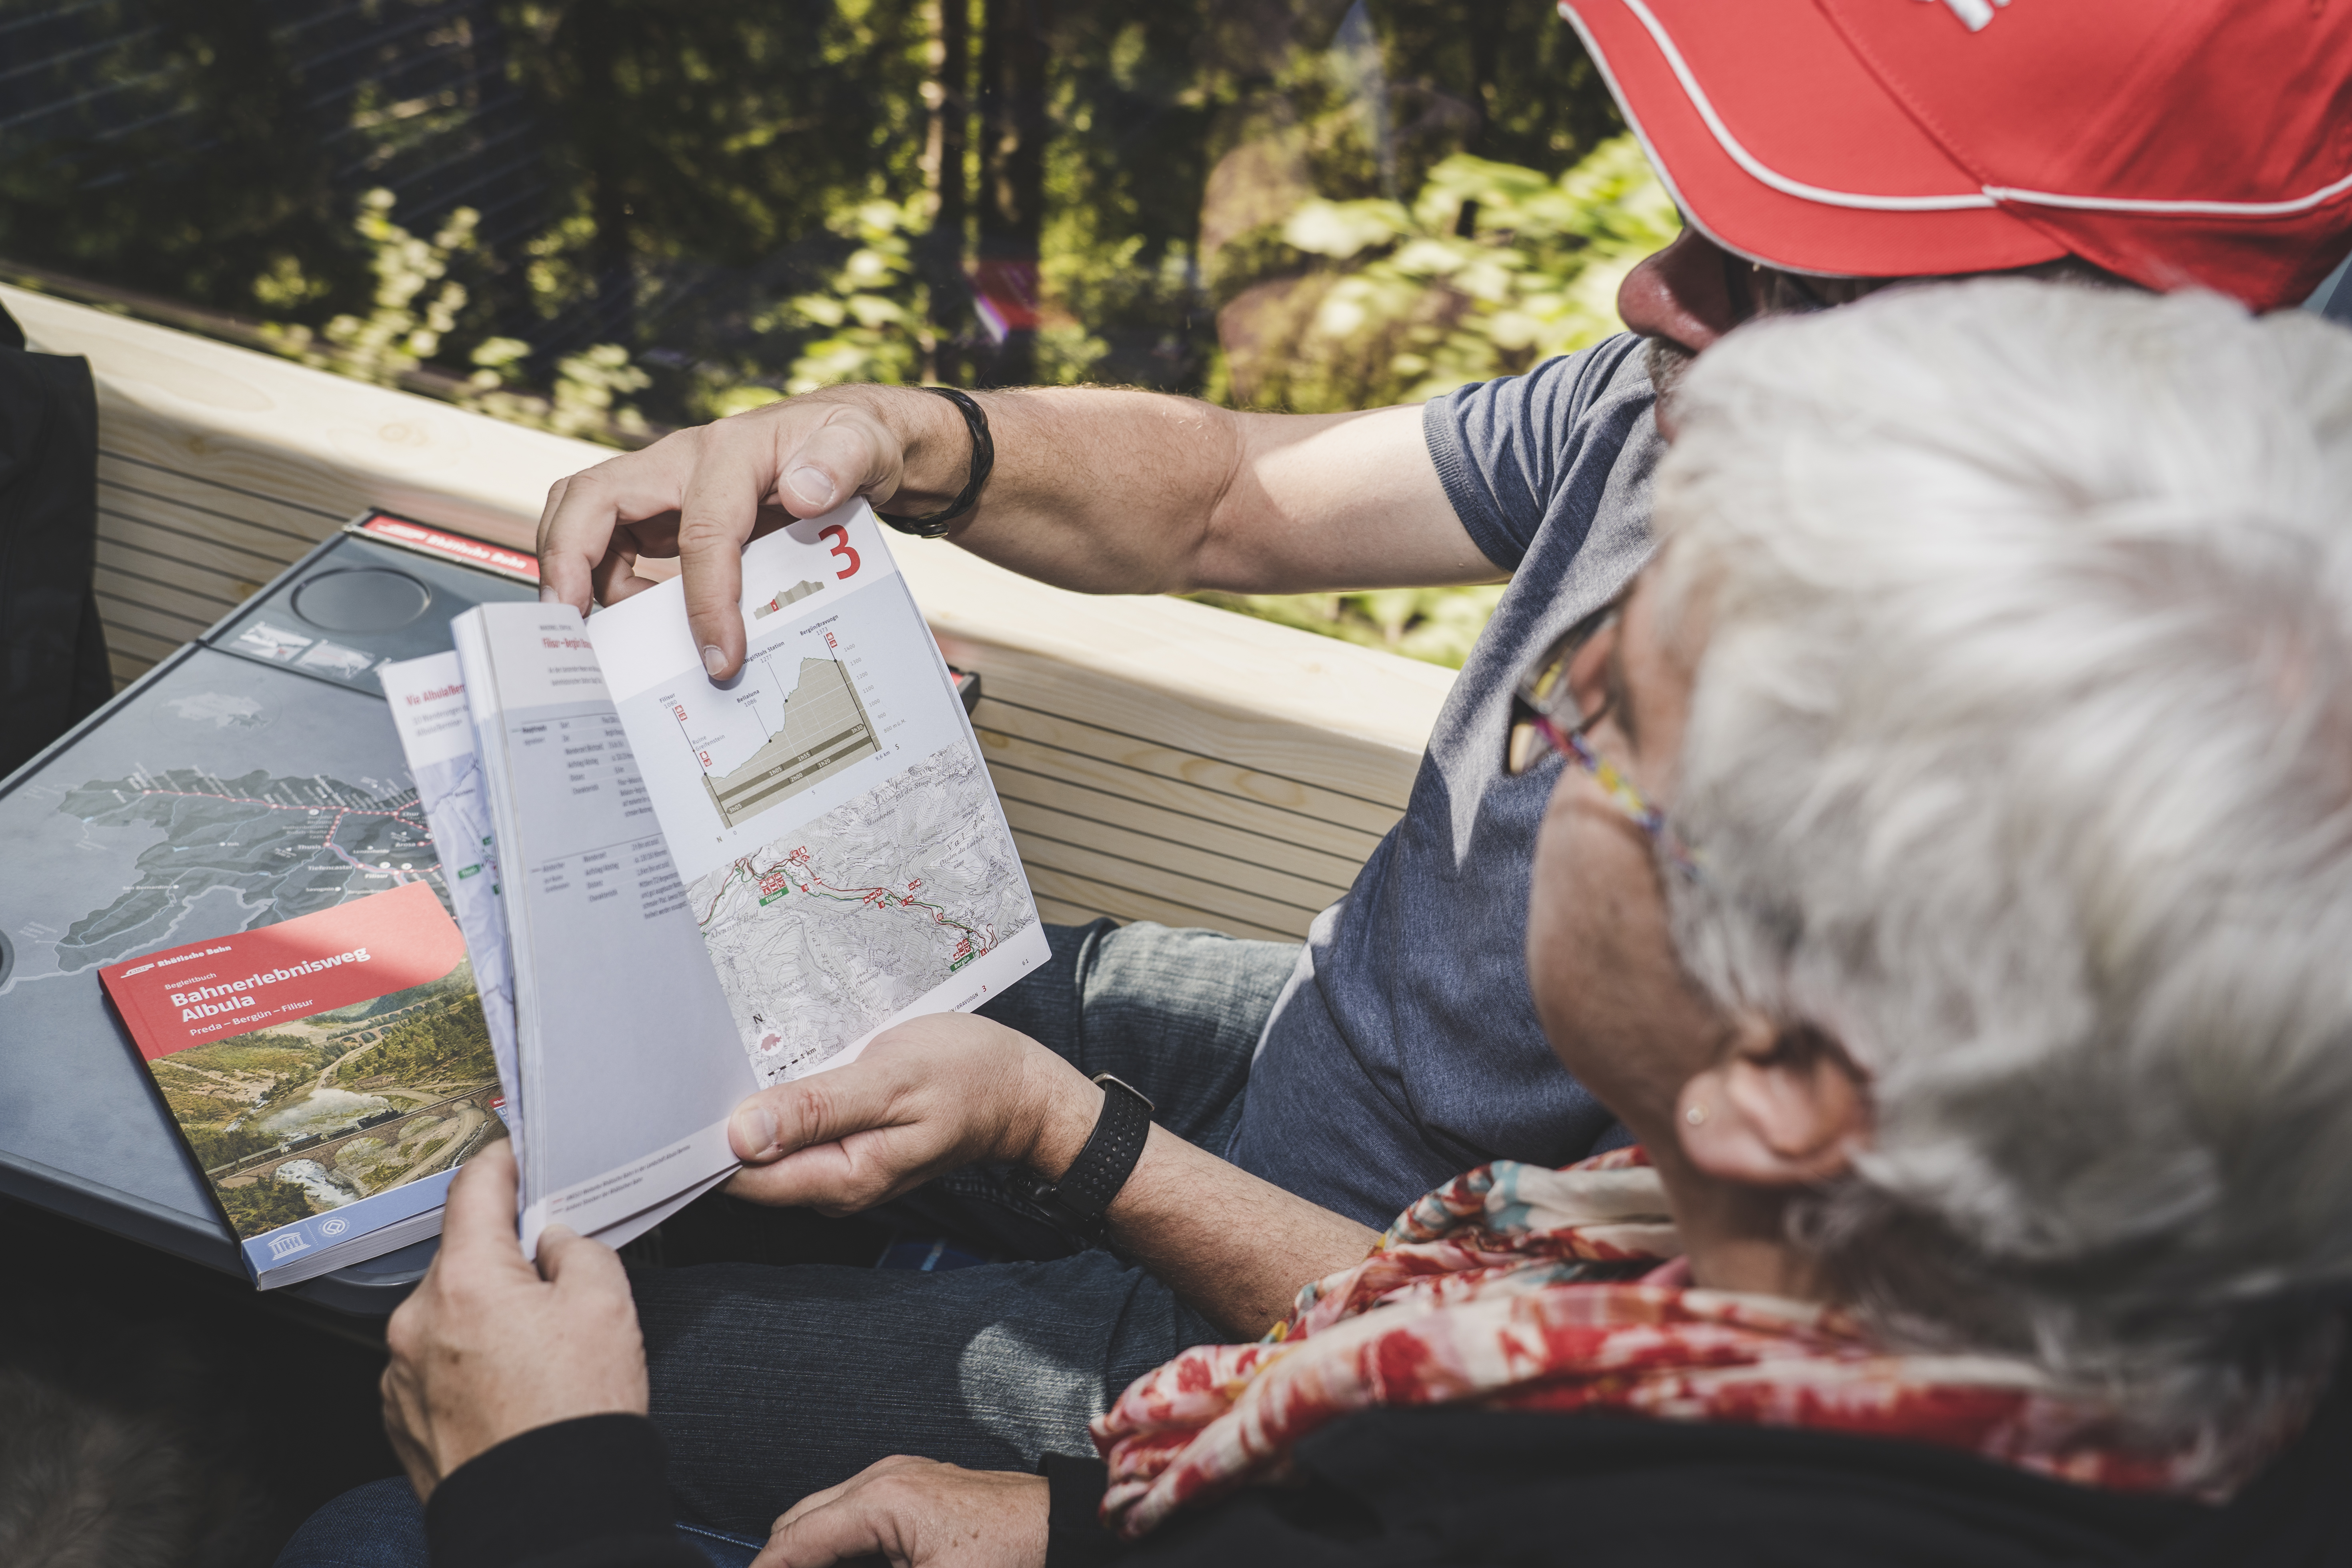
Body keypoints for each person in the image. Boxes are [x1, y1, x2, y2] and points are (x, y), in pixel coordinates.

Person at [513, 0, 2352, 1529]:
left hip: (1266, 1285)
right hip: (1311, 1080)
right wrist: (913, 435)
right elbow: (1235, 492)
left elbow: (1553, 1373)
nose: (1654, 295)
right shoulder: (1685, 400)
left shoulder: (1999, 824)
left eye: (1801, 268)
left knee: (508, 1400)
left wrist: (1065, 1147)